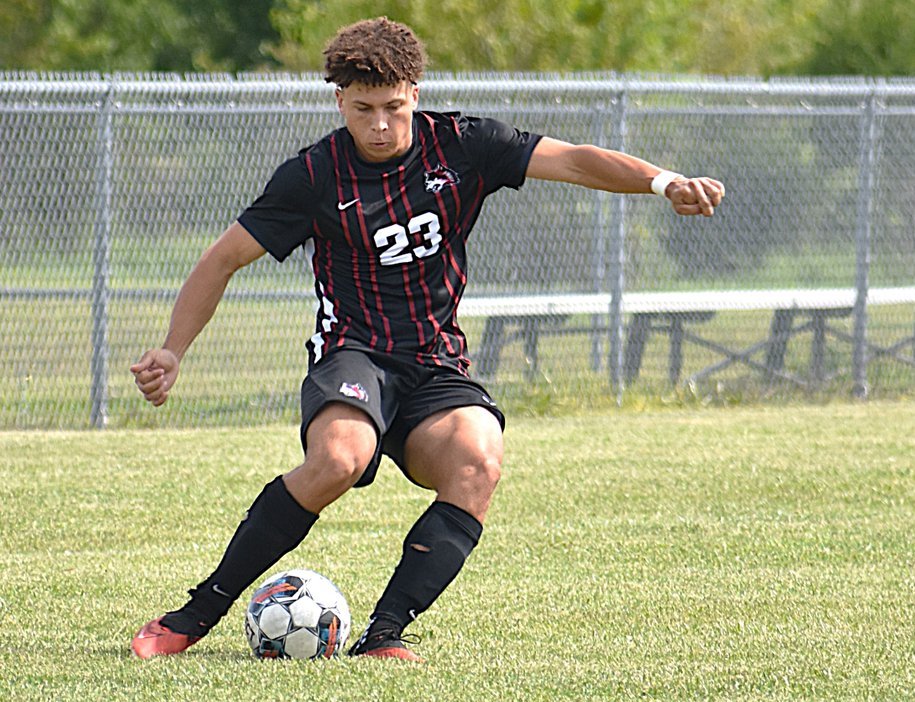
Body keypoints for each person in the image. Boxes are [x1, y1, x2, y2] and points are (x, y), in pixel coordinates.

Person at [130, 17, 724, 662]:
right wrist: (173, 349)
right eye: (363, 110)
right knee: (338, 460)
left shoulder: (466, 145)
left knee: (479, 461)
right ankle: (195, 613)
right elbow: (221, 259)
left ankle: (383, 636)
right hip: (353, 353)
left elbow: (576, 161)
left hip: (436, 360)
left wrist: (663, 182)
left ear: (414, 91)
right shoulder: (313, 176)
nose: (380, 125)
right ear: (339, 102)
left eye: (392, 106)